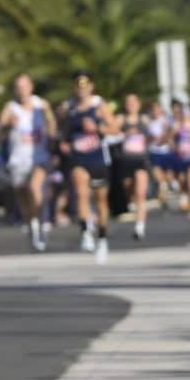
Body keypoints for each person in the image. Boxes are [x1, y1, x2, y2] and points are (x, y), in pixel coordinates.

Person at [57, 74, 111, 259]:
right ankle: (86, 232)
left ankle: (102, 238)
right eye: (78, 85)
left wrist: (97, 128)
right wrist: (63, 142)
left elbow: (114, 128)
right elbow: (63, 131)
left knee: (101, 201)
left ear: (91, 87)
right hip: (78, 157)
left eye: (85, 85)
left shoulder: (99, 105)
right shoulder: (69, 107)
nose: (81, 88)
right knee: (81, 192)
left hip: (97, 158)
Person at [0, 74, 52, 250]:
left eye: (24, 86)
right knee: (23, 197)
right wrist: (7, 126)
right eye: (18, 87)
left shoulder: (41, 105)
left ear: (31, 87)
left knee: (35, 189)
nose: (22, 90)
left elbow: (53, 130)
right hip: (17, 159)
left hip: (38, 157)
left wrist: (48, 116)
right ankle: (33, 225)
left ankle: (41, 224)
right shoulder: (10, 108)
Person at [111, 91, 153, 242]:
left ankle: (139, 227)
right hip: (125, 161)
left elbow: (154, 136)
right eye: (128, 103)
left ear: (139, 104)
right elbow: (110, 130)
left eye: (134, 102)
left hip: (141, 160)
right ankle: (132, 204)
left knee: (141, 193)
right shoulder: (121, 119)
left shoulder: (144, 120)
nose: (131, 105)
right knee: (130, 189)